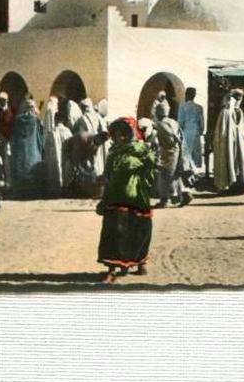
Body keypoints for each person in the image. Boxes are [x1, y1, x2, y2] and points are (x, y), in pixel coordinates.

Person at [96, 118, 157, 284]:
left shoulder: (141, 150)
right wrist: (103, 179)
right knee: (114, 232)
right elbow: (108, 174)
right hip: (115, 196)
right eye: (116, 135)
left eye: (123, 135)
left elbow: (151, 169)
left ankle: (140, 263)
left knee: (138, 231)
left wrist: (144, 162)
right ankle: (112, 270)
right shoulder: (113, 152)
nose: (119, 138)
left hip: (136, 196)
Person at [212, 89, 244, 194]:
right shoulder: (225, 112)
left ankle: (241, 184)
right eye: (237, 97)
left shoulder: (240, 111)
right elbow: (222, 132)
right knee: (229, 160)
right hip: (228, 143)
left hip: (239, 143)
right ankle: (229, 184)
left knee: (240, 162)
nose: (239, 100)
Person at [154, 113, 193, 208]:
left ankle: (165, 200)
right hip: (178, 150)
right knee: (176, 174)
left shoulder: (161, 124)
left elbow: (169, 139)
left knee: (165, 175)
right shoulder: (173, 121)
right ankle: (185, 193)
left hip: (168, 151)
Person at [9, 97, 44, 199]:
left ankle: (21, 192)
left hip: (20, 151)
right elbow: (40, 135)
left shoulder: (18, 120)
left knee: (21, 168)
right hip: (33, 150)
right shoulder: (36, 120)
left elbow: (14, 136)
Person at [43, 97, 73, 198]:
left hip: (56, 158)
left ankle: (57, 189)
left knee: (56, 169)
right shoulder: (68, 131)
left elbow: (47, 149)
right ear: (63, 120)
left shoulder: (52, 133)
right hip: (66, 156)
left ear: (55, 120)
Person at [74, 98, 107, 184]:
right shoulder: (97, 117)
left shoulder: (81, 119)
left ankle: (91, 182)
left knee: (90, 163)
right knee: (98, 162)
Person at [0, 91, 15, 190]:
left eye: (4, 100)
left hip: (9, 140)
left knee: (8, 161)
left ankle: (9, 183)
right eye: (1, 100)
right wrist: (0, 137)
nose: (3, 102)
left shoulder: (9, 111)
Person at [176, 87, 205, 171]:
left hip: (186, 132)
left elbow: (180, 121)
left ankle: (187, 172)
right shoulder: (199, 107)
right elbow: (202, 122)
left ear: (187, 95)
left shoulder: (182, 106)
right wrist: (201, 131)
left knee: (186, 153)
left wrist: (179, 132)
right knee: (195, 153)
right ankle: (194, 172)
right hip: (195, 132)